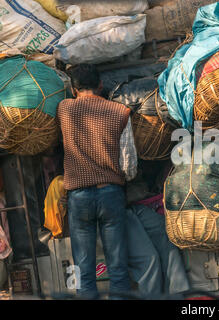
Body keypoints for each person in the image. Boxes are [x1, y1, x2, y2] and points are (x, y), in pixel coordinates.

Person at [56, 64, 134, 299]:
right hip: (111, 194)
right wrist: (121, 179)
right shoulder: (121, 112)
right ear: (101, 85)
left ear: (73, 89)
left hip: (79, 198)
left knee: (84, 271)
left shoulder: (64, 108)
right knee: (119, 268)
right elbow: (129, 163)